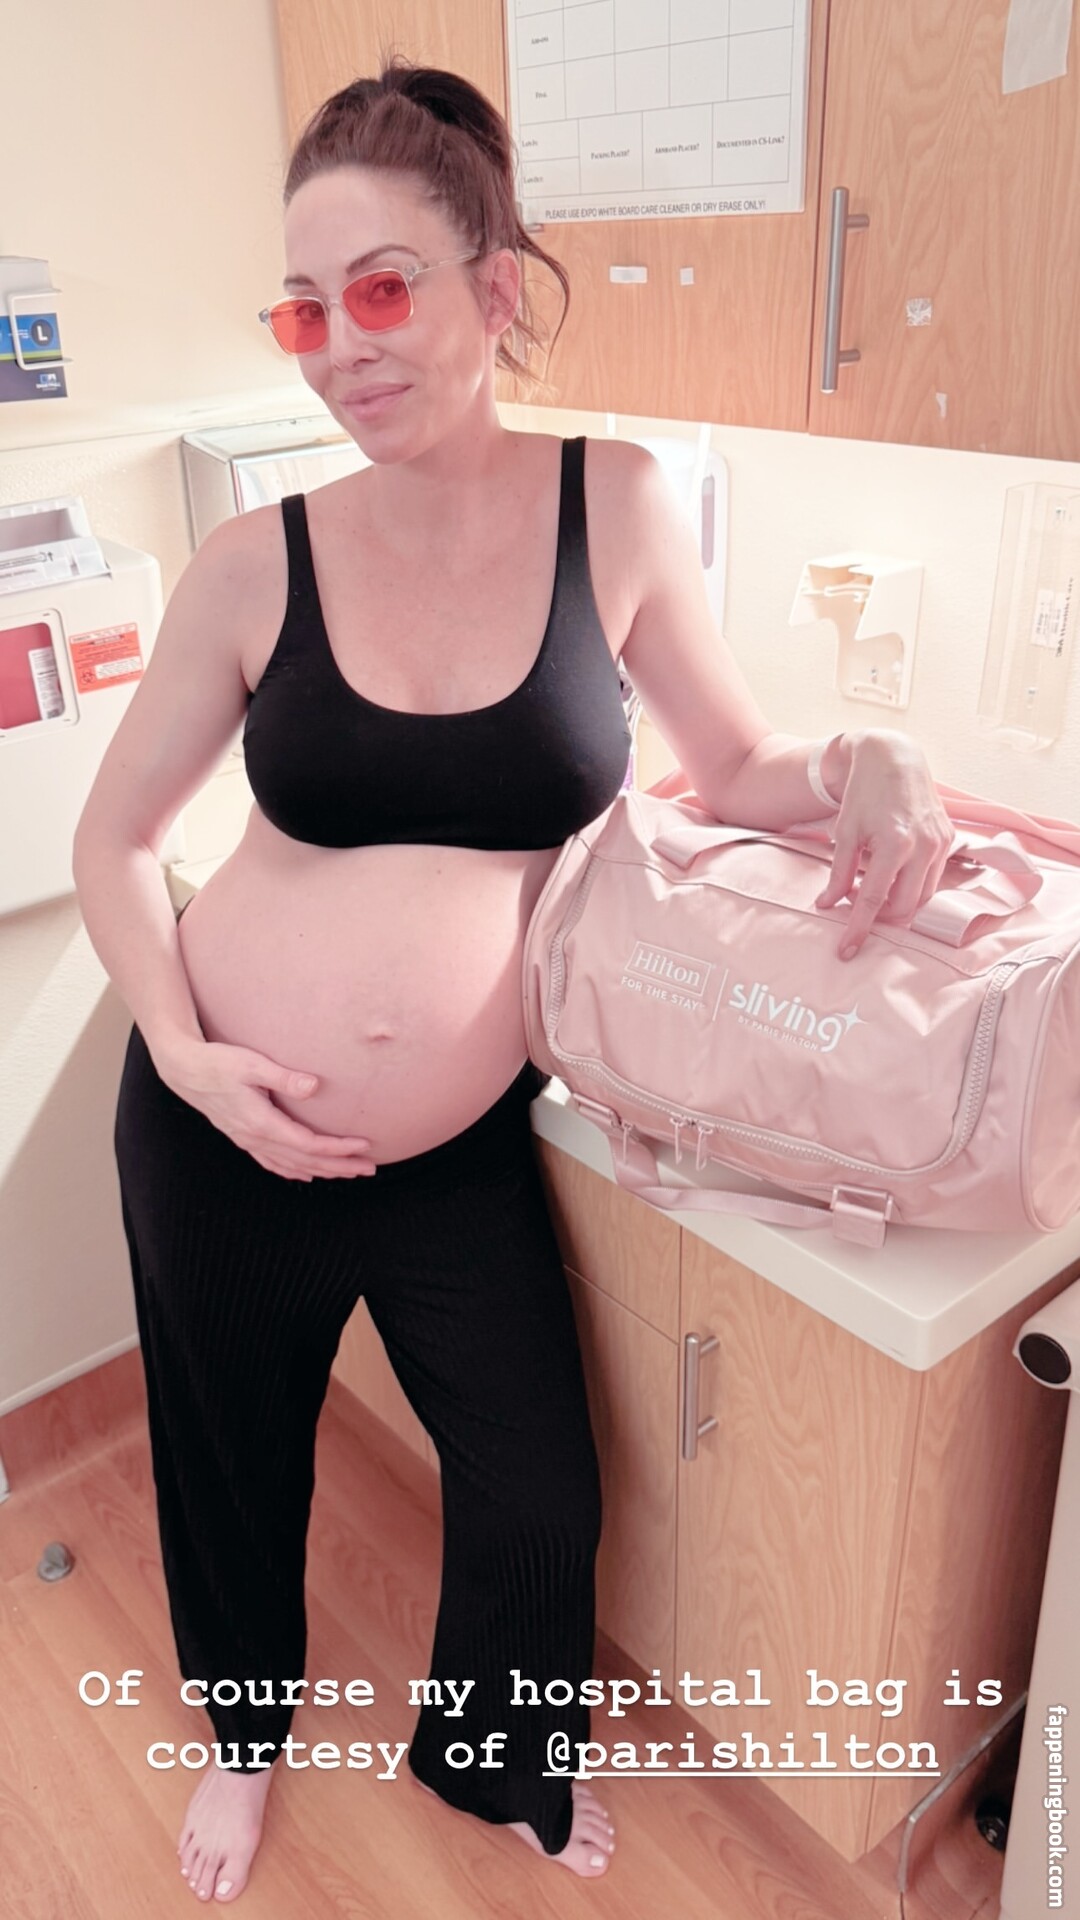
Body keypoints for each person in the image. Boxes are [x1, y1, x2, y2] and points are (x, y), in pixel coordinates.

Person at [72, 58, 954, 1908]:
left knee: (540, 1489)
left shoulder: (612, 507)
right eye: (304, 310)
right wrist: (189, 1054)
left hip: (455, 1152)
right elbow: (115, 842)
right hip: (219, 1126)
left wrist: (869, 755)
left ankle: (487, 1757)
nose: (338, 348)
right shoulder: (254, 564)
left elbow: (736, 765)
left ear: (495, 283)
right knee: (230, 1459)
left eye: (380, 290)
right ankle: (244, 1736)